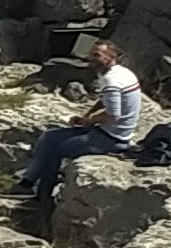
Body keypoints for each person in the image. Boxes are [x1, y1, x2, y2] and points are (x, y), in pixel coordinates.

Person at [22, 40, 148, 199]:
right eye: (91, 54)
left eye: (97, 55)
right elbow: (105, 101)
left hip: (112, 138)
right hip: (106, 132)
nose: (92, 58)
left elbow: (113, 115)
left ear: (112, 56)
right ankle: (27, 182)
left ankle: (42, 196)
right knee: (50, 136)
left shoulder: (111, 81)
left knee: (58, 149)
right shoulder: (120, 73)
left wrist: (91, 120)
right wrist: (86, 116)